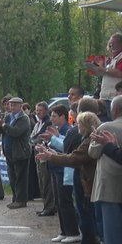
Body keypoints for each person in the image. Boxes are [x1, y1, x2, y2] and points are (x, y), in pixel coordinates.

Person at [37, 111, 101, 244]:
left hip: (87, 180)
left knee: (86, 214)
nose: (77, 127)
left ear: (85, 125)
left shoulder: (89, 140)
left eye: (79, 124)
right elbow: (70, 155)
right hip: (85, 179)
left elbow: (73, 158)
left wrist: (51, 156)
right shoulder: (87, 139)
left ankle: (84, 238)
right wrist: (53, 154)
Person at [88, 95, 122, 244]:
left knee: (111, 233)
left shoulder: (106, 127)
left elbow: (93, 152)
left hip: (109, 186)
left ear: (115, 110)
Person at [0, 97, 31, 209]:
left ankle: (21, 200)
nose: (12, 107)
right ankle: (15, 198)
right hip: (9, 152)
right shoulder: (8, 116)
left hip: (20, 152)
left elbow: (16, 132)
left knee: (20, 177)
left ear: (20, 106)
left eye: (14, 105)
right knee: (12, 176)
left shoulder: (24, 118)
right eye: (11, 105)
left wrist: (3, 125)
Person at [85, 33, 122, 115]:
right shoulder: (110, 59)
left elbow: (119, 73)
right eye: (110, 43)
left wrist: (103, 69)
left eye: (114, 43)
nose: (111, 45)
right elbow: (104, 73)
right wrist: (95, 68)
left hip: (114, 98)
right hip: (104, 97)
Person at [30, 101, 55, 216]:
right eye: (37, 110)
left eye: (40, 110)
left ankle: (49, 207)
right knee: (41, 180)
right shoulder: (37, 123)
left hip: (45, 154)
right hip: (37, 153)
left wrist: (33, 139)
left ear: (46, 110)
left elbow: (38, 137)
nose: (38, 112)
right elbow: (32, 137)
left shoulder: (48, 123)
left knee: (46, 181)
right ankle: (46, 205)